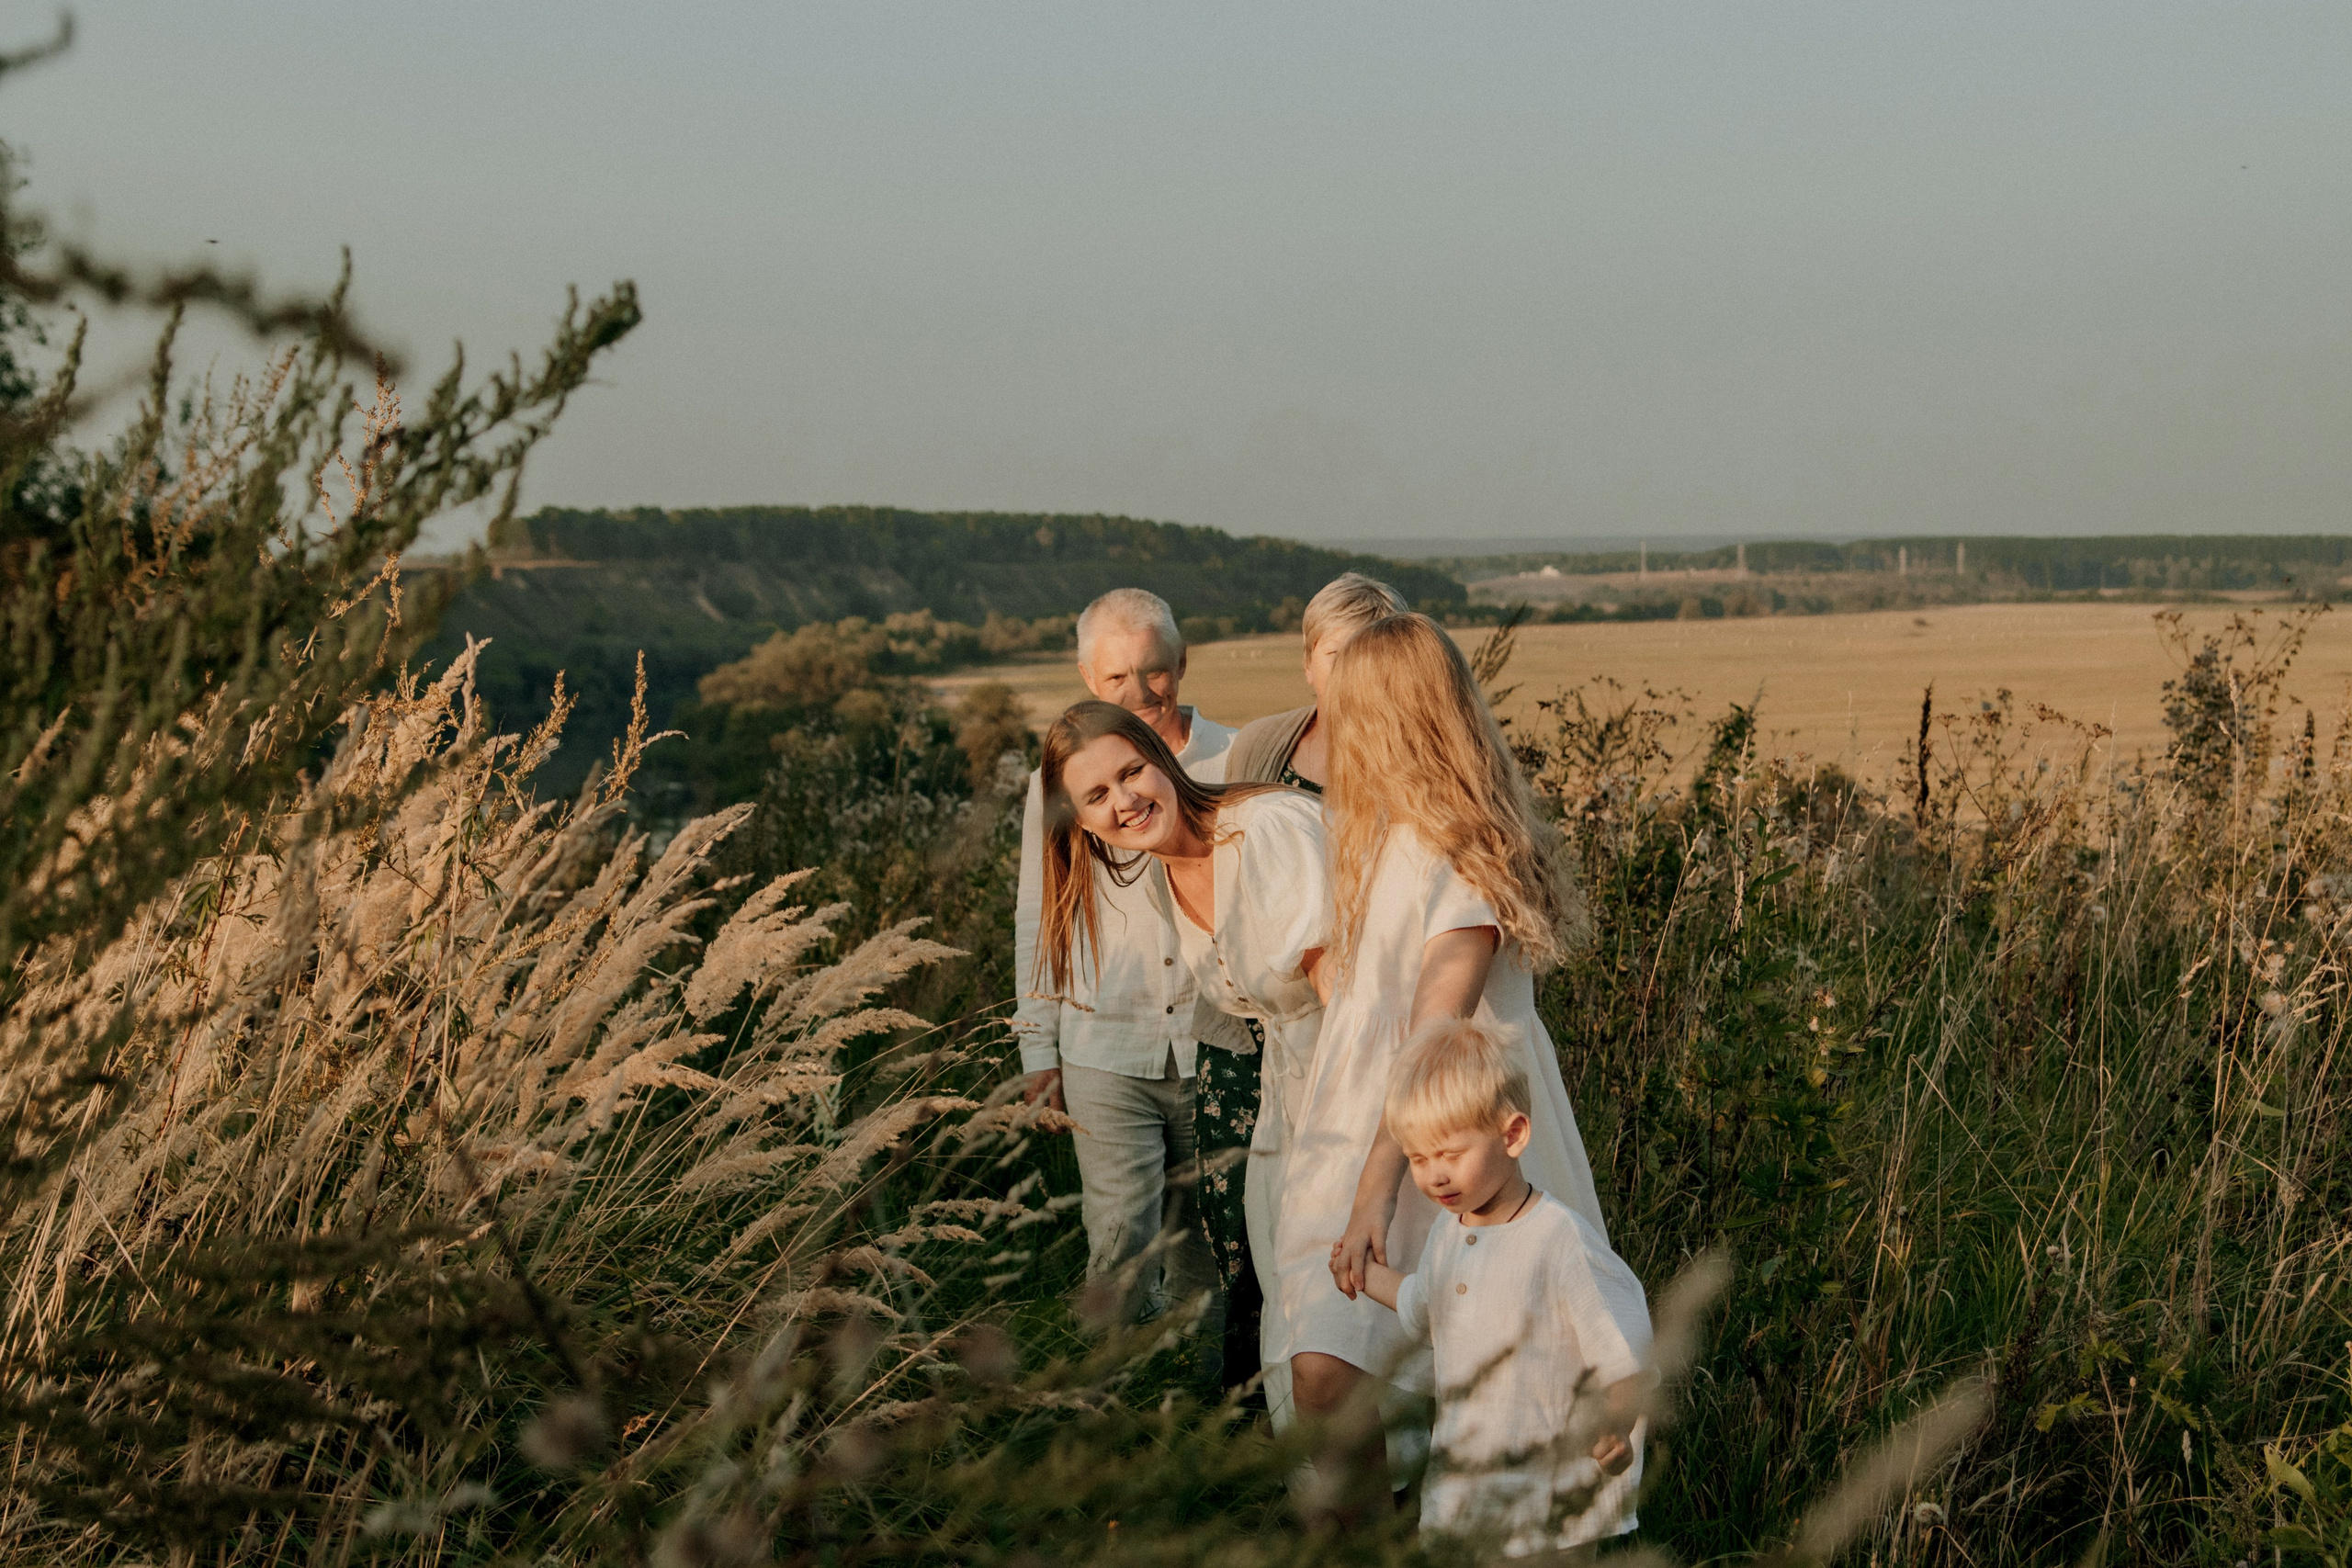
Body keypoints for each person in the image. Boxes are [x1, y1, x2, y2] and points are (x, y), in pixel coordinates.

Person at [1280, 610, 1600, 1491]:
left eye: (1351, 711)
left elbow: (1432, 1031)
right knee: (1332, 1373)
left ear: (1392, 721)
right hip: (1367, 1120)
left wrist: (1374, 1190)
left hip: (1438, 1131)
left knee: (1442, 1378)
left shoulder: (1466, 853)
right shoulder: (1384, 835)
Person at [1030, 700, 1328, 1393]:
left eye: (1132, 771)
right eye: (1097, 795)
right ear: (1077, 818)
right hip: (1289, 1092)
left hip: (1355, 1084)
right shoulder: (1164, 875)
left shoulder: (1263, 830)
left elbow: (1352, 997)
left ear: (1161, 757)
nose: (1125, 800)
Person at [1332, 1017, 1652, 1556]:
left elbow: (1625, 1352)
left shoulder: (1559, 1241)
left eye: (1451, 1155)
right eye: (1417, 1158)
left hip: (1551, 1501)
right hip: (1466, 1495)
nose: (1434, 1175)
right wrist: (1365, 1274)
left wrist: (1615, 1425)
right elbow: (1422, 1306)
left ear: (1512, 1135)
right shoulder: (1448, 1234)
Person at [1012, 590, 1238, 1328]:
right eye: (1115, 678)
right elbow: (1040, 914)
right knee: (1119, 1242)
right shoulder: (1059, 784)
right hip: (1104, 1047)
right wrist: (1036, 1047)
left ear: (1181, 661)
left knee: (1212, 1247)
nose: (1139, 694)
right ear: (1086, 675)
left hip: (1218, 1043)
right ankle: (1107, 1410)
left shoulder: (1234, 756)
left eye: (1154, 671)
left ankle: (1204, 1415)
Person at [1225, 571, 1408, 792]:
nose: (1349, 674)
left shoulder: (1423, 761)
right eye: (1337, 654)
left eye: (1369, 658)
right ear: (1308, 664)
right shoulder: (1255, 745)